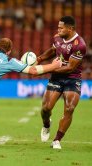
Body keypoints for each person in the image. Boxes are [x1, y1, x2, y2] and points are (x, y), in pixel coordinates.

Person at [37, 16, 86, 149]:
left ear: (70, 29)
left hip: (72, 78)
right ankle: (46, 124)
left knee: (69, 108)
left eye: (61, 28)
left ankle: (57, 140)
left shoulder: (79, 45)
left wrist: (47, 69)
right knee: (46, 109)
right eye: (58, 27)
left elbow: (70, 67)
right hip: (56, 78)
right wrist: (40, 59)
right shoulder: (57, 38)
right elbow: (53, 50)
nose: (58, 30)